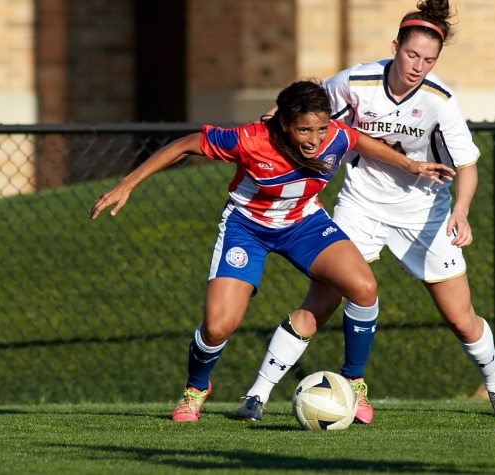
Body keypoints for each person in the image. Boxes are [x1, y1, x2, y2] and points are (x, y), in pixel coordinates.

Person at [89, 79, 454, 423]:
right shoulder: (250, 139)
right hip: (247, 229)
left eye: (321, 129)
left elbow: (356, 139)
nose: (314, 140)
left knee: (364, 287)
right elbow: (185, 144)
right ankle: (196, 388)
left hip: (304, 224)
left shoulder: (334, 136)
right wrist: (128, 184)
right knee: (218, 327)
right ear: (283, 122)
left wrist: (411, 164)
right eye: (304, 130)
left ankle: (354, 383)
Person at [233, 0, 495, 425]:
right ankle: (258, 395)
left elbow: (467, 166)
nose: (418, 65)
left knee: (461, 318)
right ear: (394, 47)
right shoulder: (357, 81)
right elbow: (304, 103)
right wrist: (273, 116)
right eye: (411, 54)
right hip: (360, 206)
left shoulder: (440, 100)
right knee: (322, 300)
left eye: (428, 59)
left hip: (424, 213)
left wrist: (461, 210)